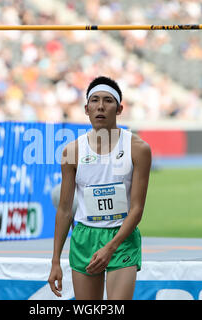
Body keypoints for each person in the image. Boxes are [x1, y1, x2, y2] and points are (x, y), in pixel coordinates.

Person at [48, 76, 152, 300]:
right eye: (94, 101)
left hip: (122, 237)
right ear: (86, 109)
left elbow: (137, 209)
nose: (101, 106)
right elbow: (65, 210)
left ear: (119, 108)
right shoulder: (72, 152)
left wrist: (111, 247)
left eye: (108, 100)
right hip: (85, 236)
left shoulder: (138, 149)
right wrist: (55, 260)